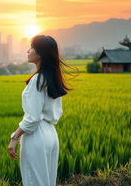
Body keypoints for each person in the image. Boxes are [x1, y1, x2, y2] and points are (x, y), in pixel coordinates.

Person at [8, 35, 79, 186]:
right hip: (51, 135)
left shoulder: (37, 80)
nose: (28, 51)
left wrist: (14, 138)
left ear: (40, 53)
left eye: (32, 47)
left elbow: (33, 118)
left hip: (36, 136)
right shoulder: (52, 78)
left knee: (35, 182)